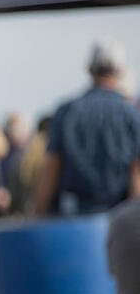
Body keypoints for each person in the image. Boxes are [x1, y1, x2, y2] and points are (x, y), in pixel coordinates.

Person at [31, 39, 140, 216]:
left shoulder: (66, 112)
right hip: (118, 217)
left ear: (89, 69)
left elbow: (52, 167)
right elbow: (135, 173)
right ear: (120, 71)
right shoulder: (131, 116)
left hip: (73, 219)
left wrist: (37, 212)